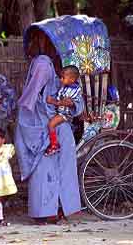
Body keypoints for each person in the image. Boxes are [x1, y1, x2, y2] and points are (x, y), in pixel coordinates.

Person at [15, 30, 84, 224]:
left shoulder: (60, 77)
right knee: (44, 174)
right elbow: (29, 107)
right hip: (44, 132)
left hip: (58, 132)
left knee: (62, 172)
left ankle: (62, 211)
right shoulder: (41, 72)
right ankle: (45, 212)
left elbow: (78, 104)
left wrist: (68, 104)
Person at [45, 65, 81, 156]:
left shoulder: (74, 90)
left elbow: (66, 103)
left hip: (65, 114)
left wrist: (52, 101)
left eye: (63, 78)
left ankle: (54, 145)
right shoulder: (66, 86)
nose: (61, 80)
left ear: (72, 79)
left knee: (51, 124)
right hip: (61, 111)